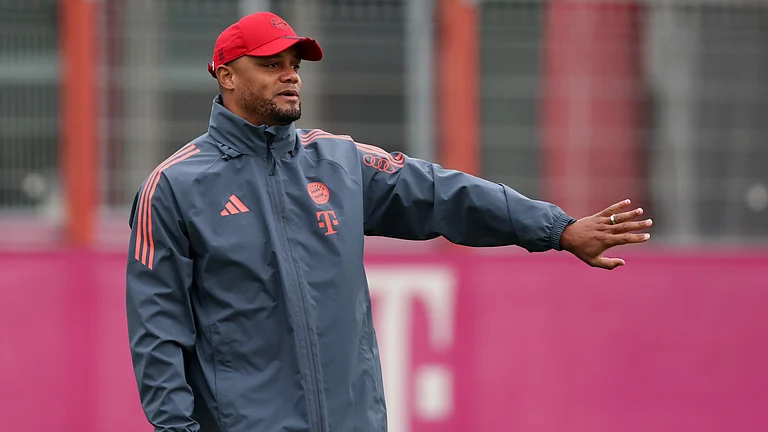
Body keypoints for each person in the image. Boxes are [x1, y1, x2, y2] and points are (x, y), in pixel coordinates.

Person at [125, 11, 652, 432]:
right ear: (226, 75)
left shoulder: (340, 162)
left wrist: (556, 228)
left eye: (295, 64)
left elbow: (446, 194)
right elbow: (158, 328)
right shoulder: (174, 186)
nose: (289, 75)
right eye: (271, 64)